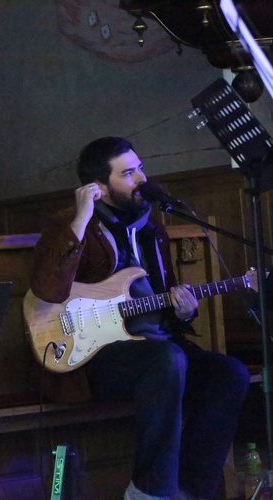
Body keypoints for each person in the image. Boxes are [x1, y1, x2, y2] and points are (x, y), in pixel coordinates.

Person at [29, 136, 250, 499]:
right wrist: (82, 219)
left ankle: (192, 491)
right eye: (128, 173)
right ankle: (150, 491)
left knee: (230, 374)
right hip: (96, 355)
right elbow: (47, 289)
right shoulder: (66, 224)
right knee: (167, 360)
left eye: (140, 168)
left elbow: (165, 295)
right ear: (98, 187)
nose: (141, 180)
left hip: (155, 345)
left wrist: (183, 309)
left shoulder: (151, 228)